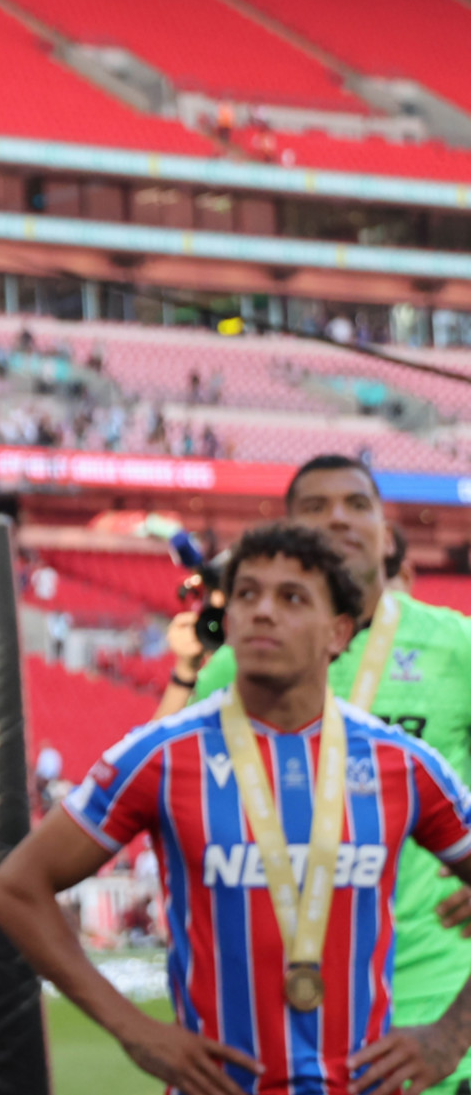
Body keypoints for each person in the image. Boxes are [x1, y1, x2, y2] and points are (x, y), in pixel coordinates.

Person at [0, 522, 471, 1095]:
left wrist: (451, 1035)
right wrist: (135, 1030)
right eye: (247, 594)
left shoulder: (405, 764)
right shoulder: (159, 757)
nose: (263, 611)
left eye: (291, 597)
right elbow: (16, 888)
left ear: (338, 632)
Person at [156, 456, 471, 1089]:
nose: (338, 518)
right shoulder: (234, 666)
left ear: (387, 533)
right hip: (267, 1013)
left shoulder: (457, 646)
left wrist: (455, 1031)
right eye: (316, 507)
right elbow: (163, 791)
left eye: (358, 505)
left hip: (428, 994)